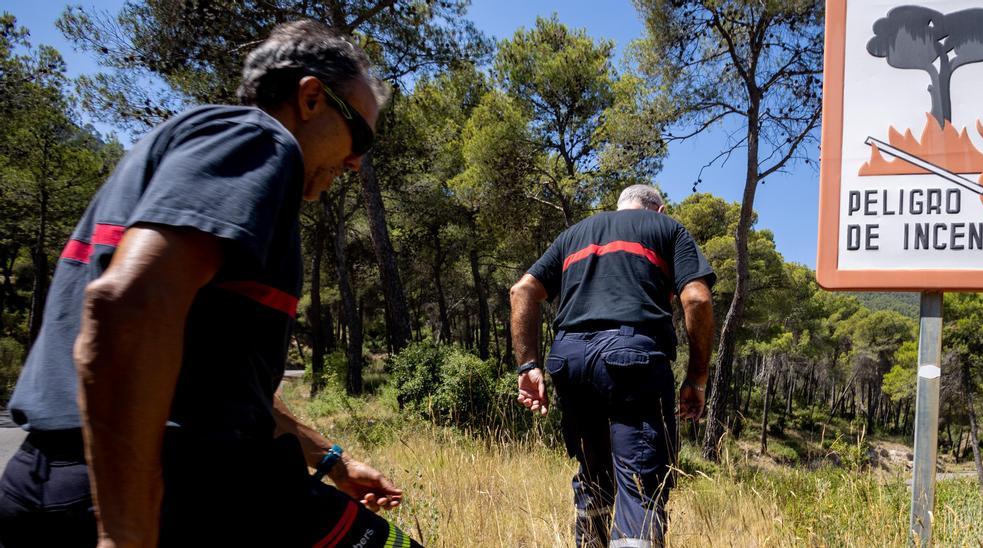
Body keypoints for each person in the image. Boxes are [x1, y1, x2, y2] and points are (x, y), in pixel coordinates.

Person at [0, 20, 421, 547]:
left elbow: (216, 379)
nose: (358, 162)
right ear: (311, 98)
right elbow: (127, 307)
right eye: (360, 135)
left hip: (39, 486)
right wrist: (125, 532)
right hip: (178, 490)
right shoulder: (258, 139)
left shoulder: (173, 155)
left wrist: (333, 461)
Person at [510, 184, 716, 548]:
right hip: (632, 358)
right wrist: (697, 377)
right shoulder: (667, 229)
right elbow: (697, 298)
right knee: (640, 481)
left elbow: (522, 291)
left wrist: (528, 366)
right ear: (659, 208)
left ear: (620, 206)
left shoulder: (574, 234)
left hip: (569, 358)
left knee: (594, 474)